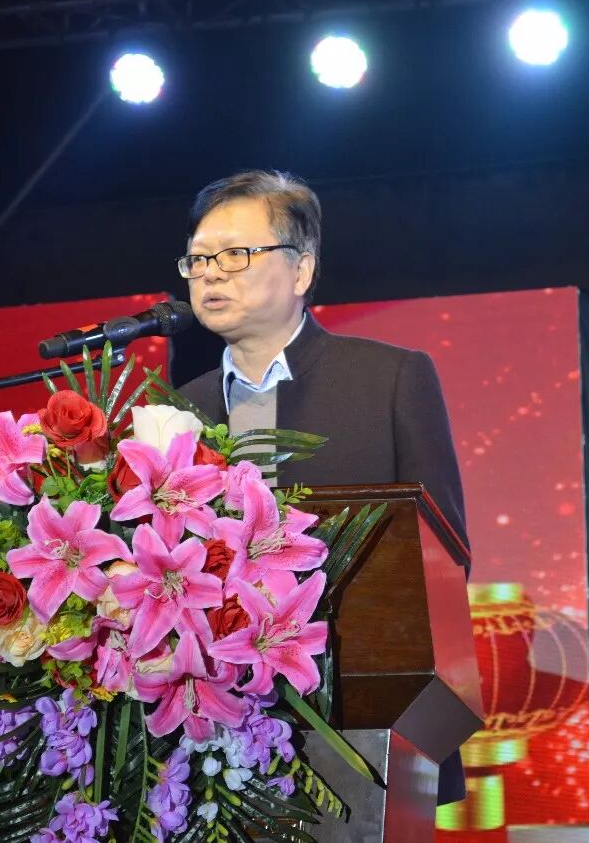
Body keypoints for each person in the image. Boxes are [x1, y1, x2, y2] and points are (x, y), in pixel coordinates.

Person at [174, 169, 470, 805]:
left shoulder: (390, 380)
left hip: (366, 728)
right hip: (212, 742)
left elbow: (445, 560)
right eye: (198, 259)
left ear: (301, 270)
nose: (211, 273)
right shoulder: (174, 413)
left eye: (235, 254)